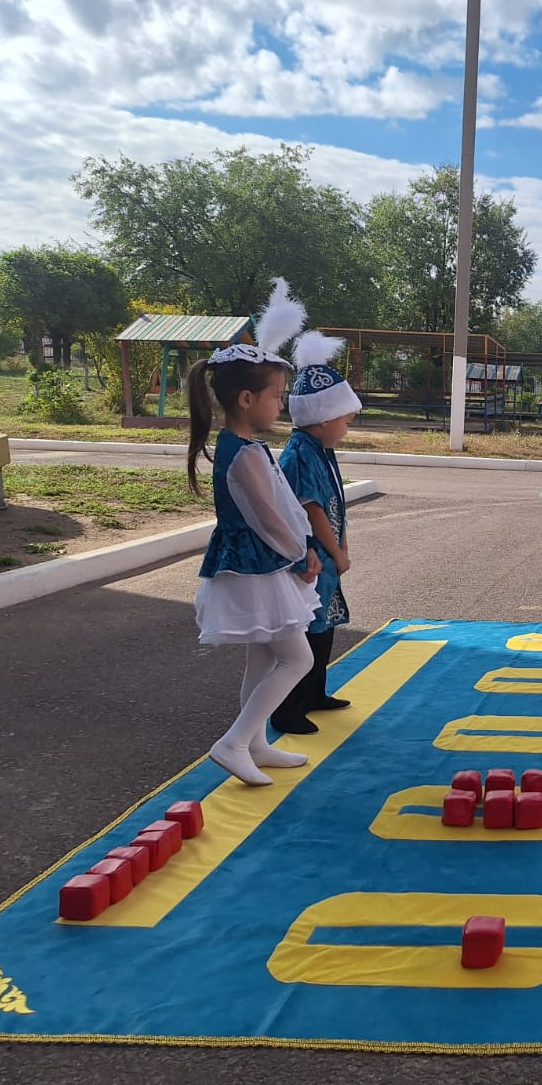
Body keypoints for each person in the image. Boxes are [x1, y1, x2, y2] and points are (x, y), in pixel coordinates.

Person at [186, 281, 322, 785]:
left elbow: (275, 511)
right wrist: (300, 554)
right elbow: (267, 518)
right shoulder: (241, 453)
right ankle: (234, 742)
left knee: (263, 658)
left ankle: (256, 742)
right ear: (247, 399)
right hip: (258, 566)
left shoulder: (240, 445)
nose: (280, 406)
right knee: (298, 658)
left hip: (259, 563)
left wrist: (299, 546)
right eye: (276, 397)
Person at [271, 330, 363, 734]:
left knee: (323, 628)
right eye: (345, 421)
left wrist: (342, 546)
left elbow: (333, 503)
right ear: (323, 418)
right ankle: (288, 709)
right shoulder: (300, 454)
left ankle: (315, 694)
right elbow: (312, 511)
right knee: (306, 634)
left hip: (325, 557)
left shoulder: (320, 449)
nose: (347, 428)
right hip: (309, 558)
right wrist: (337, 552)